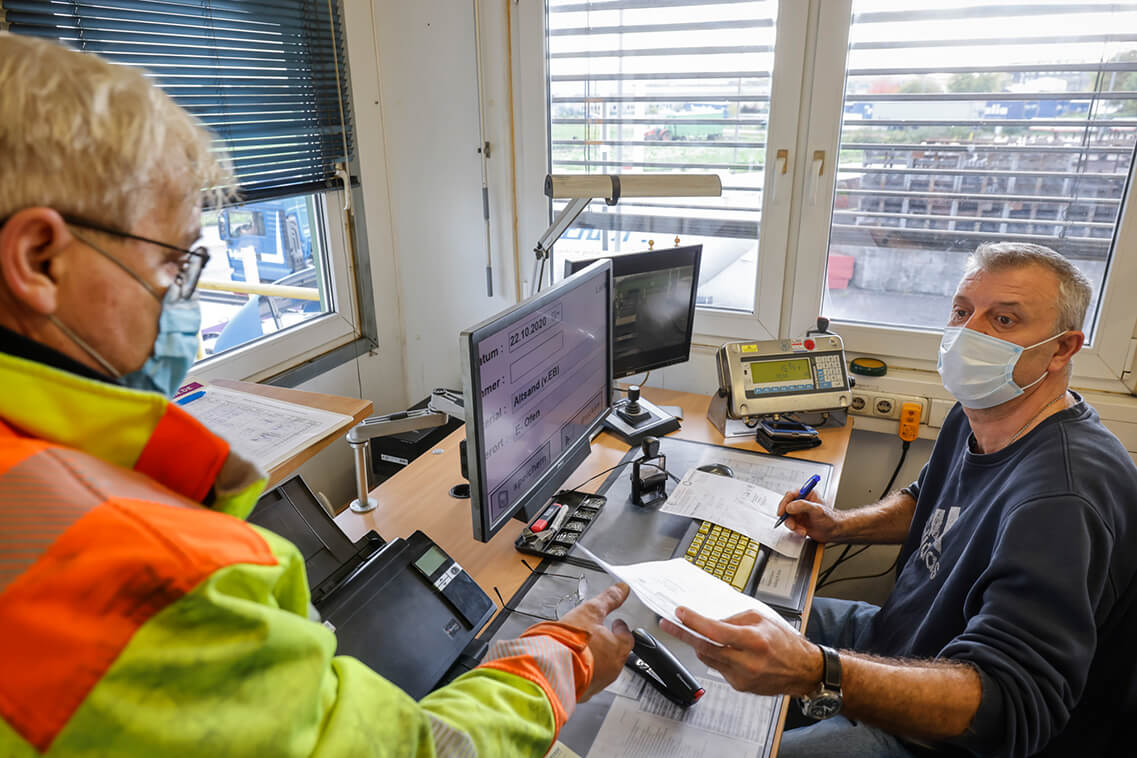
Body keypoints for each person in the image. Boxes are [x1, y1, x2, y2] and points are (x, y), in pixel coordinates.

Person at [0, 33, 634, 756]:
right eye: (172, 264)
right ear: (38, 259)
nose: (186, 308)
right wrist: (557, 659)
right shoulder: (146, 577)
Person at [662, 243, 1137, 757]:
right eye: (962, 312)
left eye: (1003, 320)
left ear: (1063, 348)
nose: (968, 333)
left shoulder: (1063, 499)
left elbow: (1006, 703)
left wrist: (816, 670)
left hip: (941, 731)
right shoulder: (979, 413)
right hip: (898, 638)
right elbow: (925, 502)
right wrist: (840, 524)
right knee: (706, 614)